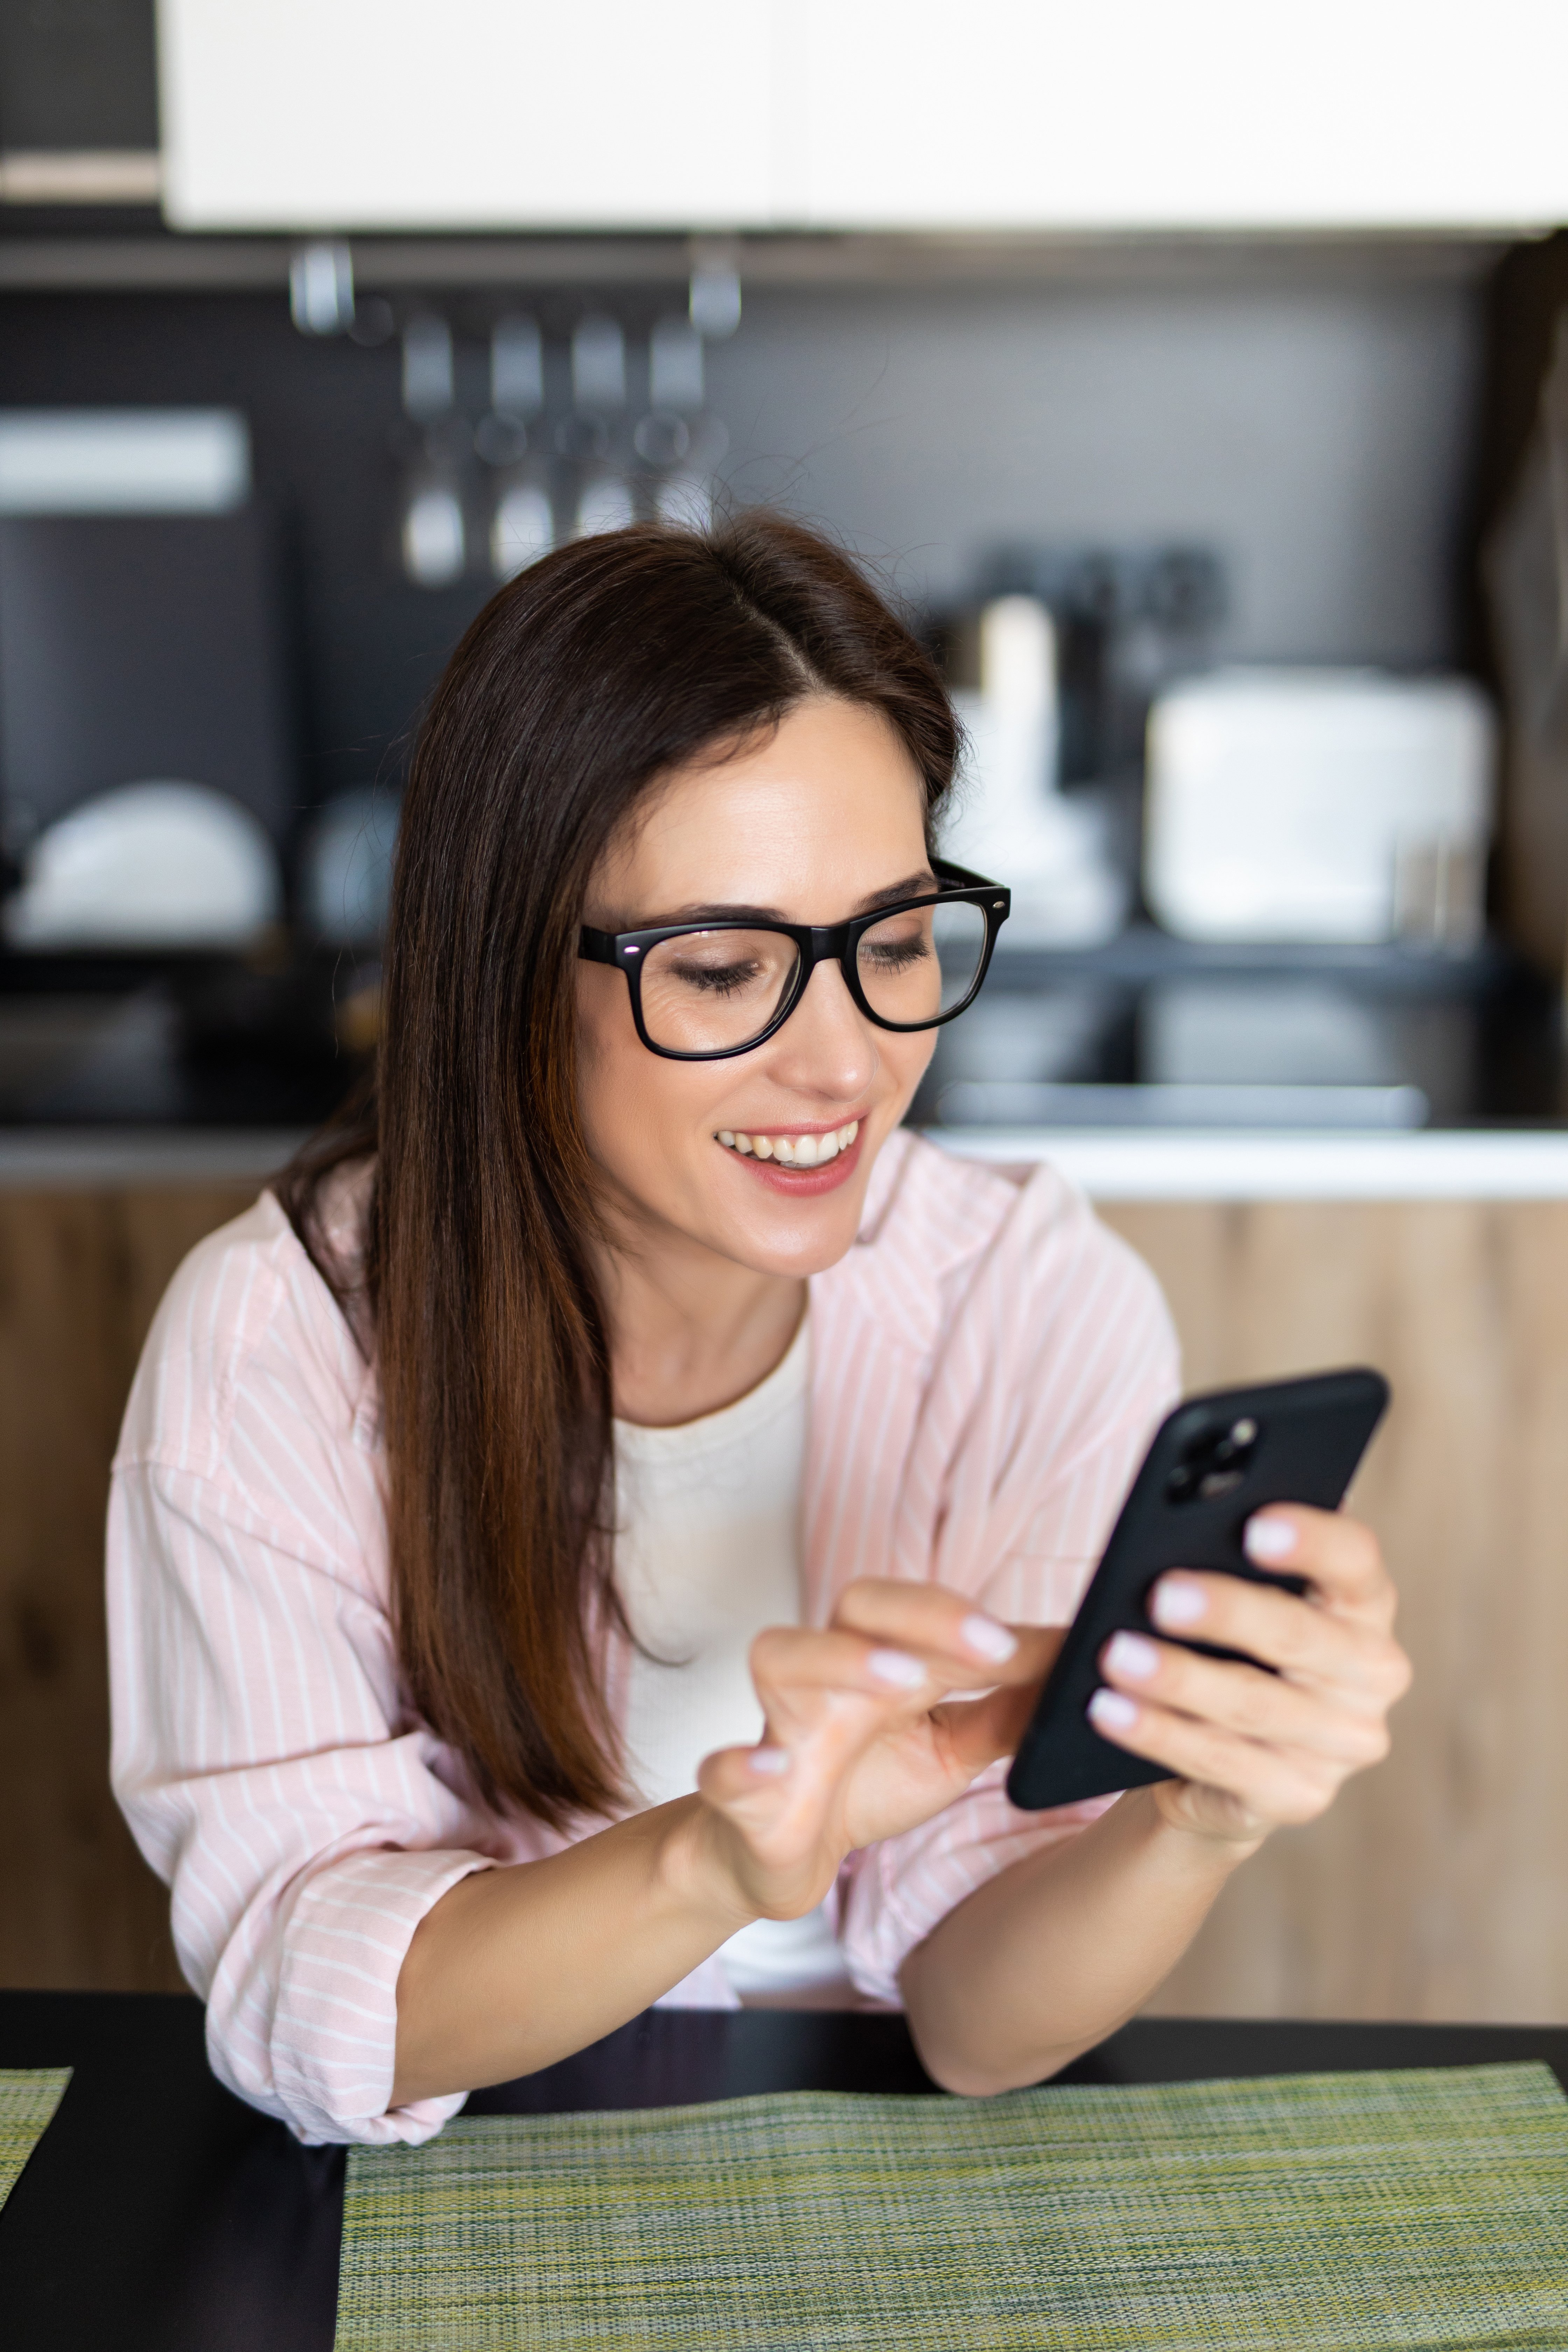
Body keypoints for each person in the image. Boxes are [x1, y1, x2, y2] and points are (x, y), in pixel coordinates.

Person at [107, 514, 1410, 2147]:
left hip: (880, 2174)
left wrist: (1193, 1821)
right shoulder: (278, 1348)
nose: (846, 1064)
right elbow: (307, 1999)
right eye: (725, 971)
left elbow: (973, 2031)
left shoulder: (1025, 1304)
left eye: (889, 942)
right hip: (466, 2188)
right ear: (506, 973)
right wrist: (717, 1863)